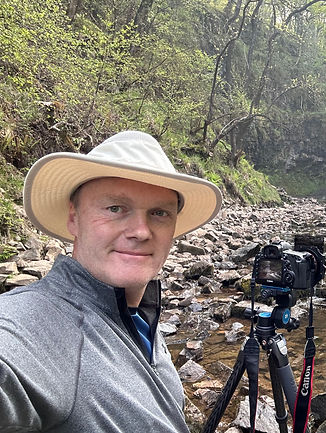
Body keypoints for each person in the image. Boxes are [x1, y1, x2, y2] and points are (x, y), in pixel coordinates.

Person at [0, 131, 222, 432]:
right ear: (73, 218)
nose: (141, 231)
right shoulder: (34, 324)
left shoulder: (137, 313)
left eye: (159, 213)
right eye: (115, 208)